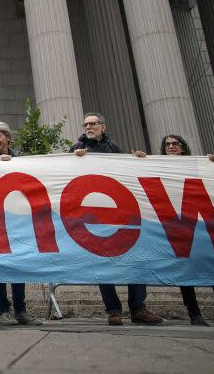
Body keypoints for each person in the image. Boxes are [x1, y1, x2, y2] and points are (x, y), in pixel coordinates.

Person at [71, 112, 162, 326]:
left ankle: (138, 308)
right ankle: (113, 310)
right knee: (102, 264)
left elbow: (128, 175)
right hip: (93, 216)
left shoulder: (115, 149)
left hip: (121, 213)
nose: (89, 127)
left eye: (93, 124)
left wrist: (138, 161)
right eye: (86, 124)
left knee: (137, 258)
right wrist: (75, 159)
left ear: (103, 127)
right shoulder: (76, 151)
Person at [158, 134, 214, 326]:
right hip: (175, 223)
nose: (171, 147)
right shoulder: (158, 165)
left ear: (183, 147)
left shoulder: (197, 164)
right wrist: (140, 159)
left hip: (201, 222)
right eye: (167, 145)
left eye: (175, 144)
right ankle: (194, 314)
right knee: (185, 268)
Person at [0, 121, 42, 326]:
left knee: (18, 266)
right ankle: (3, 311)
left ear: (7, 138)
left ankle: (21, 311)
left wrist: (12, 164)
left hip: (17, 222)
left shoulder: (20, 160)